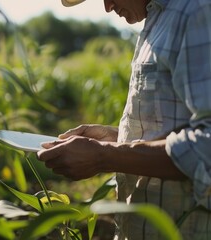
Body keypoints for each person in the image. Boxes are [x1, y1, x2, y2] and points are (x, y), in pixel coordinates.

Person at [37, 0, 211, 239]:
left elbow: (207, 143)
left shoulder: (196, 13)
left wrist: (104, 156)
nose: (107, 6)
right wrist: (115, 138)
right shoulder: (159, 20)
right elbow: (175, 124)